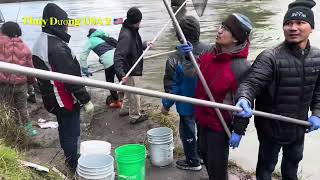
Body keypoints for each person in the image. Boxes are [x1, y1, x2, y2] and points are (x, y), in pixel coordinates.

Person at [234, 0, 320, 180]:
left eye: (299, 23)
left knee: (292, 166)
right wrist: (244, 98)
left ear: (311, 27)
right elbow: (251, 83)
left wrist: (317, 113)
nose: (293, 28)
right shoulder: (270, 56)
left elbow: (318, 91)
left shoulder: (317, 58)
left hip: (298, 128)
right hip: (270, 128)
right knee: (266, 167)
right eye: (288, 23)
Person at [32, 3, 94, 171]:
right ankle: (73, 164)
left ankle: (69, 157)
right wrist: (86, 99)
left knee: (64, 128)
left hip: (51, 97)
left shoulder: (42, 40)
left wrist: (80, 72)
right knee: (71, 131)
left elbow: (61, 69)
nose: (67, 26)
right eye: (65, 23)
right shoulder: (57, 47)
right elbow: (70, 80)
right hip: (62, 98)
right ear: (58, 23)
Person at [192, 14, 253, 179]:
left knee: (217, 167)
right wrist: (188, 55)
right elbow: (199, 67)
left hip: (219, 126)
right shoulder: (209, 53)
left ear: (236, 38)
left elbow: (245, 102)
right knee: (203, 154)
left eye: (225, 29)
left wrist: (239, 130)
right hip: (202, 118)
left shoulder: (241, 67)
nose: (219, 31)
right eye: (221, 26)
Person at [161, 16, 209, 171]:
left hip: (187, 106)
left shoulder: (175, 58)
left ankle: (193, 161)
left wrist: (166, 106)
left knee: (187, 132)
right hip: (206, 104)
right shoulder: (210, 50)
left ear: (178, 36)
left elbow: (171, 88)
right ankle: (202, 156)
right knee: (203, 130)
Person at [0, 21, 38, 137]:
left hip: (3, 85)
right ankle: (29, 131)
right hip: (21, 85)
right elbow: (30, 68)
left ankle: (12, 130)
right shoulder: (25, 48)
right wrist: (32, 82)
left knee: (7, 108)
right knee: (22, 108)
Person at [114, 7, 151, 124]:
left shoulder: (131, 28)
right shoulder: (127, 35)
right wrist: (121, 74)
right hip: (130, 68)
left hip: (131, 65)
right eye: (139, 21)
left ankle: (125, 109)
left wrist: (145, 44)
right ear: (136, 21)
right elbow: (118, 56)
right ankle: (135, 116)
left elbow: (135, 46)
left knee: (129, 90)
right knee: (134, 93)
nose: (140, 23)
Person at [80, 28, 122, 108]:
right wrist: (101, 58)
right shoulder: (104, 36)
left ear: (89, 35)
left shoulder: (91, 40)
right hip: (118, 59)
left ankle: (117, 102)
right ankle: (127, 97)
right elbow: (108, 49)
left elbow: (83, 56)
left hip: (109, 63)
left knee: (110, 83)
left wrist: (84, 69)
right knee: (122, 79)